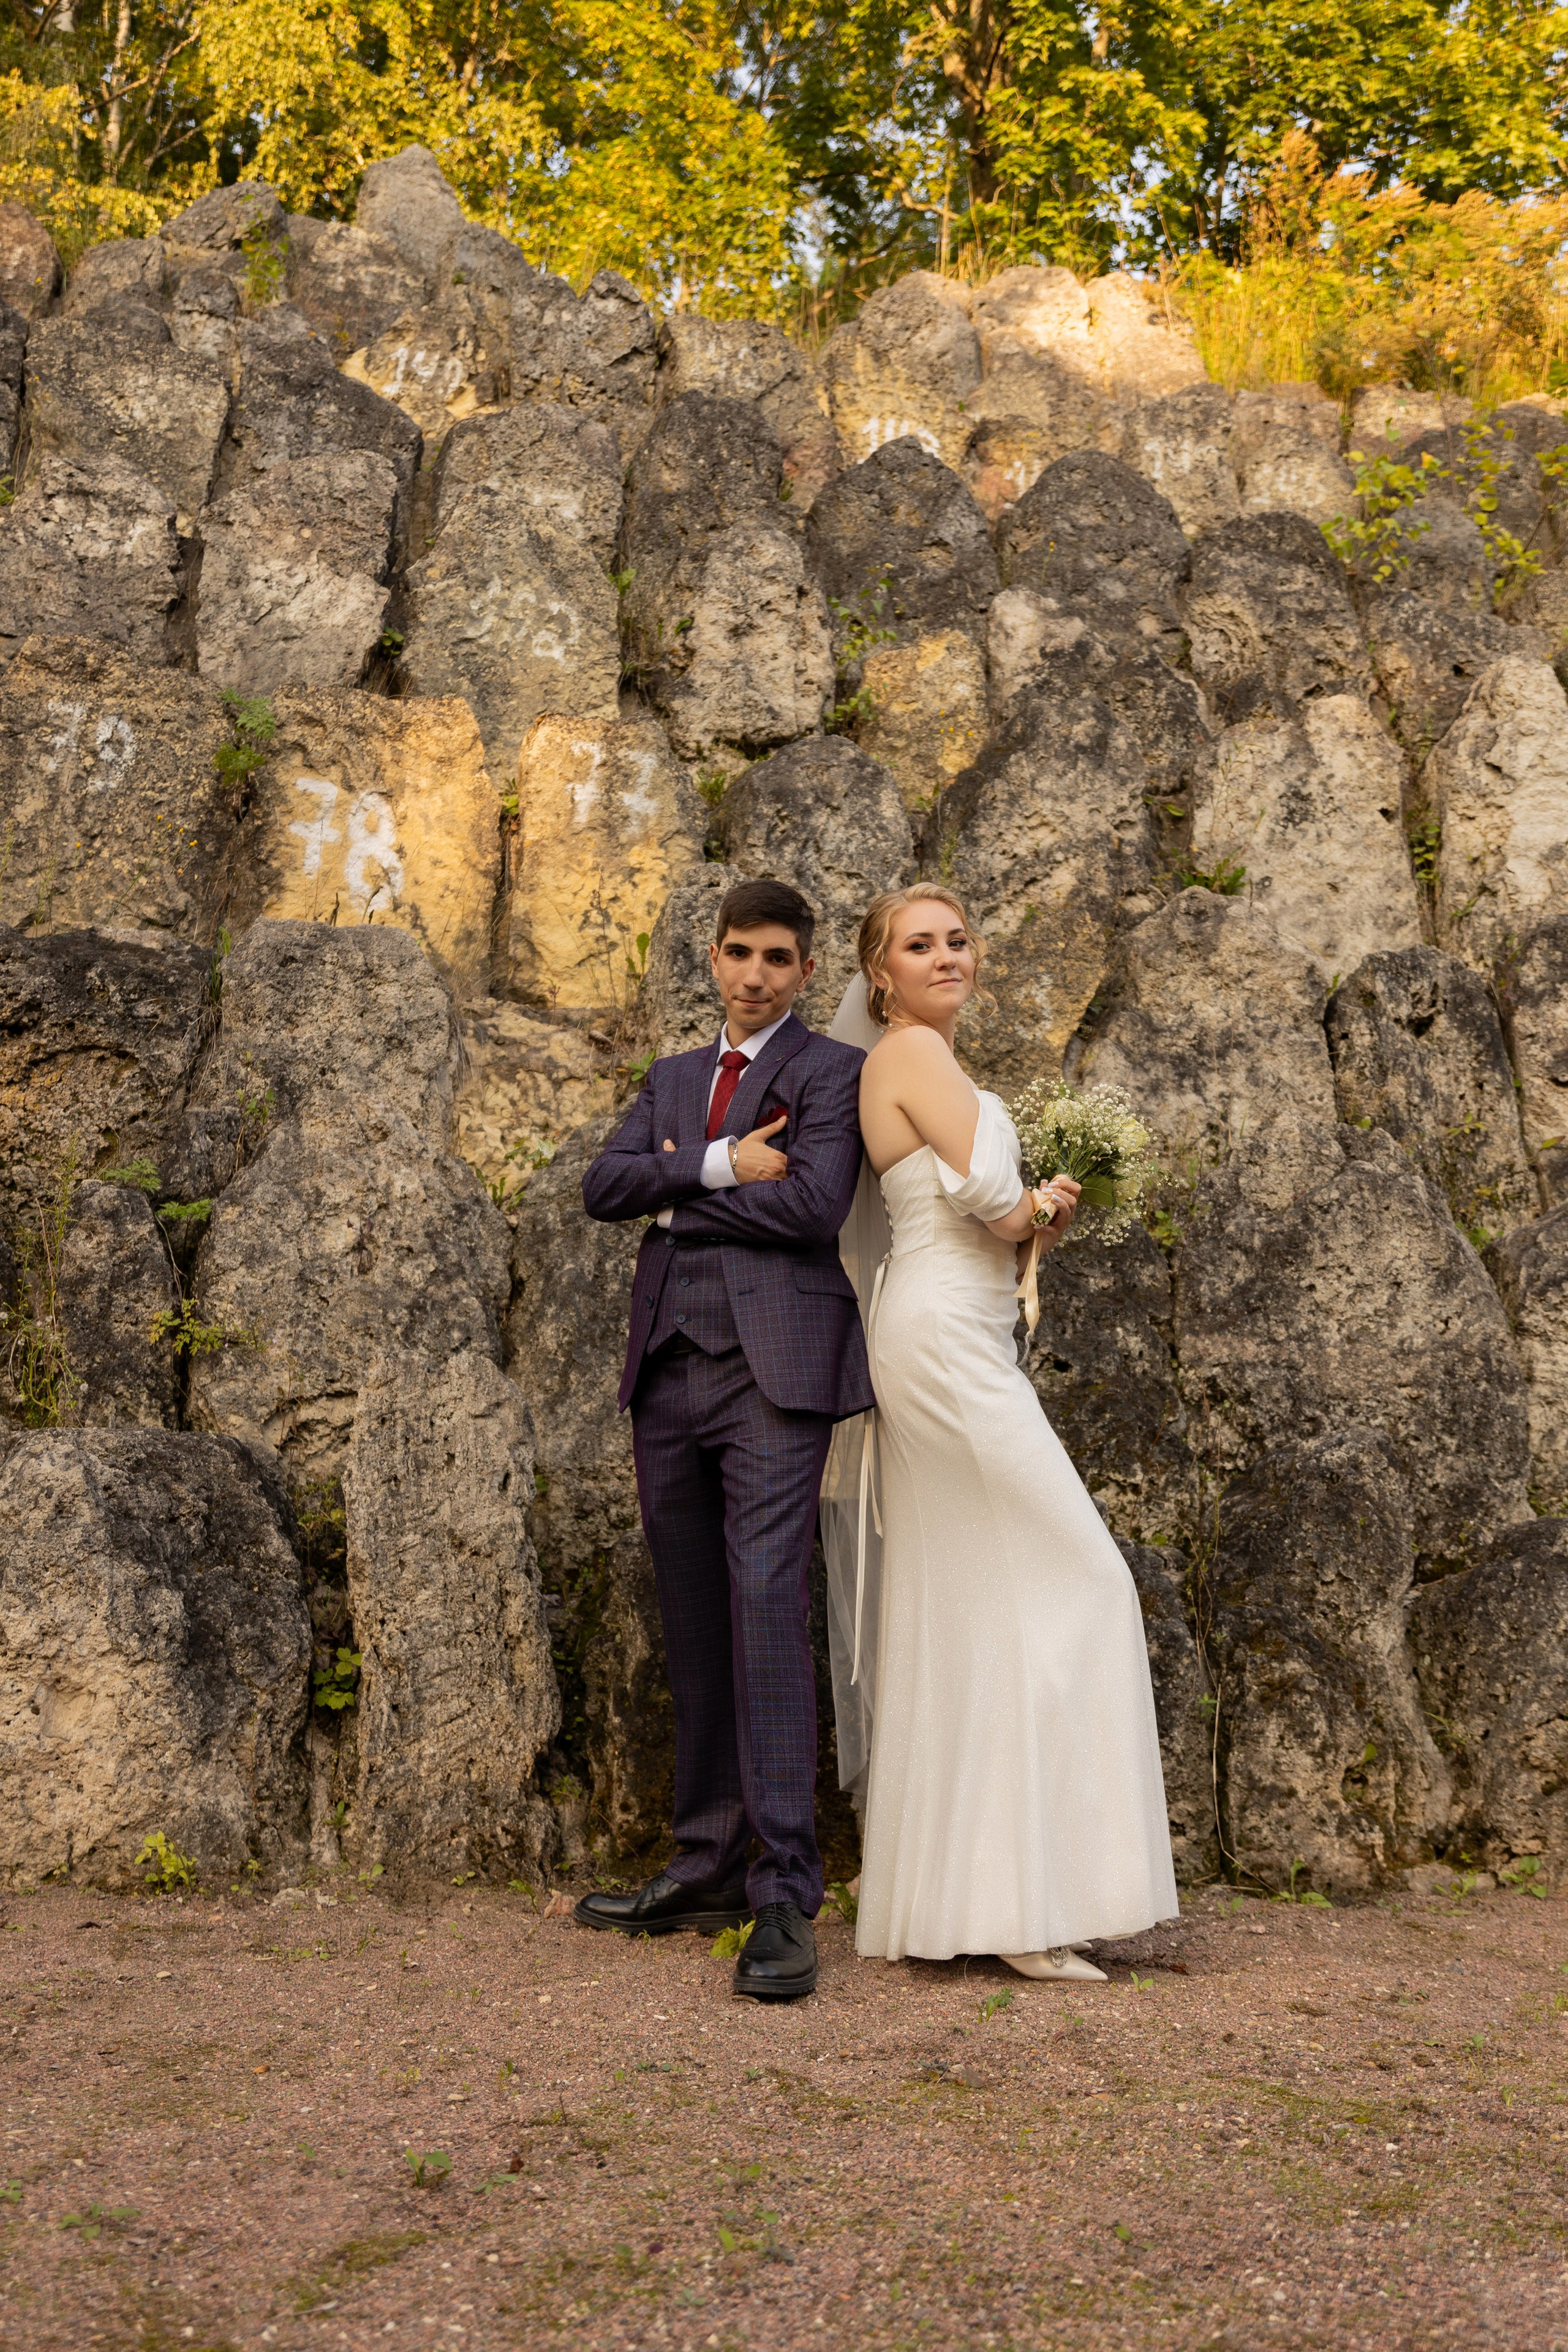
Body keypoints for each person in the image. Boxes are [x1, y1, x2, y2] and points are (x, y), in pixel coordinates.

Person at [835, 884, 1178, 1981]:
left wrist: (1038, 1223)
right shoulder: (909, 1055)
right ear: (880, 972)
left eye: (958, 940)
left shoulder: (933, 1060)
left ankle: (1001, 1896)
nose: (947, 957)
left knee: (981, 1600)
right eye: (919, 945)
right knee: (1081, 1579)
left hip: (959, 1328)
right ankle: (1021, 1904)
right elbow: (987, 1200)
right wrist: (1039, 1205)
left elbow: (994, 1218)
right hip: (939, 1336)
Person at [576, 877, 872, 2002]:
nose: (755, 976)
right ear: (712, 956)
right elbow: (603, 1186)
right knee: (695, 1618)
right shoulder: (669, 1080)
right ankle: (704, 1864)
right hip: (668, 1376)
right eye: (739, 954)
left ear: (807, 973)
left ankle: (785, 1891)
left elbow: (810, 1208)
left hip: (775, 1376)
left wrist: (668, 1197)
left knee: (764, 1612)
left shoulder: (830, 1074)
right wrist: (712, 1167)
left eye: (779, 960)